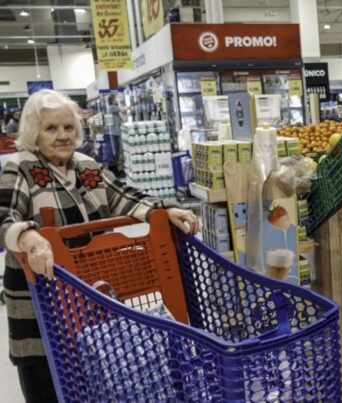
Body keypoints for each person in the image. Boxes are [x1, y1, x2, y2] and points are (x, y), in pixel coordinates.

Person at [0, 89, 199, 402]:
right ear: (32, 132)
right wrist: (27, 237)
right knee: (46, 380)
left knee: (90, 375)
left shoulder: (86, 167)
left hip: (88, 294)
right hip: (40, 298)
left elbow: (123, 195)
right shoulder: (21, 167)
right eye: (50, 128)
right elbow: (4, 216)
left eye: (68, 127)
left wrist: (163, 210)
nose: (62, 135)